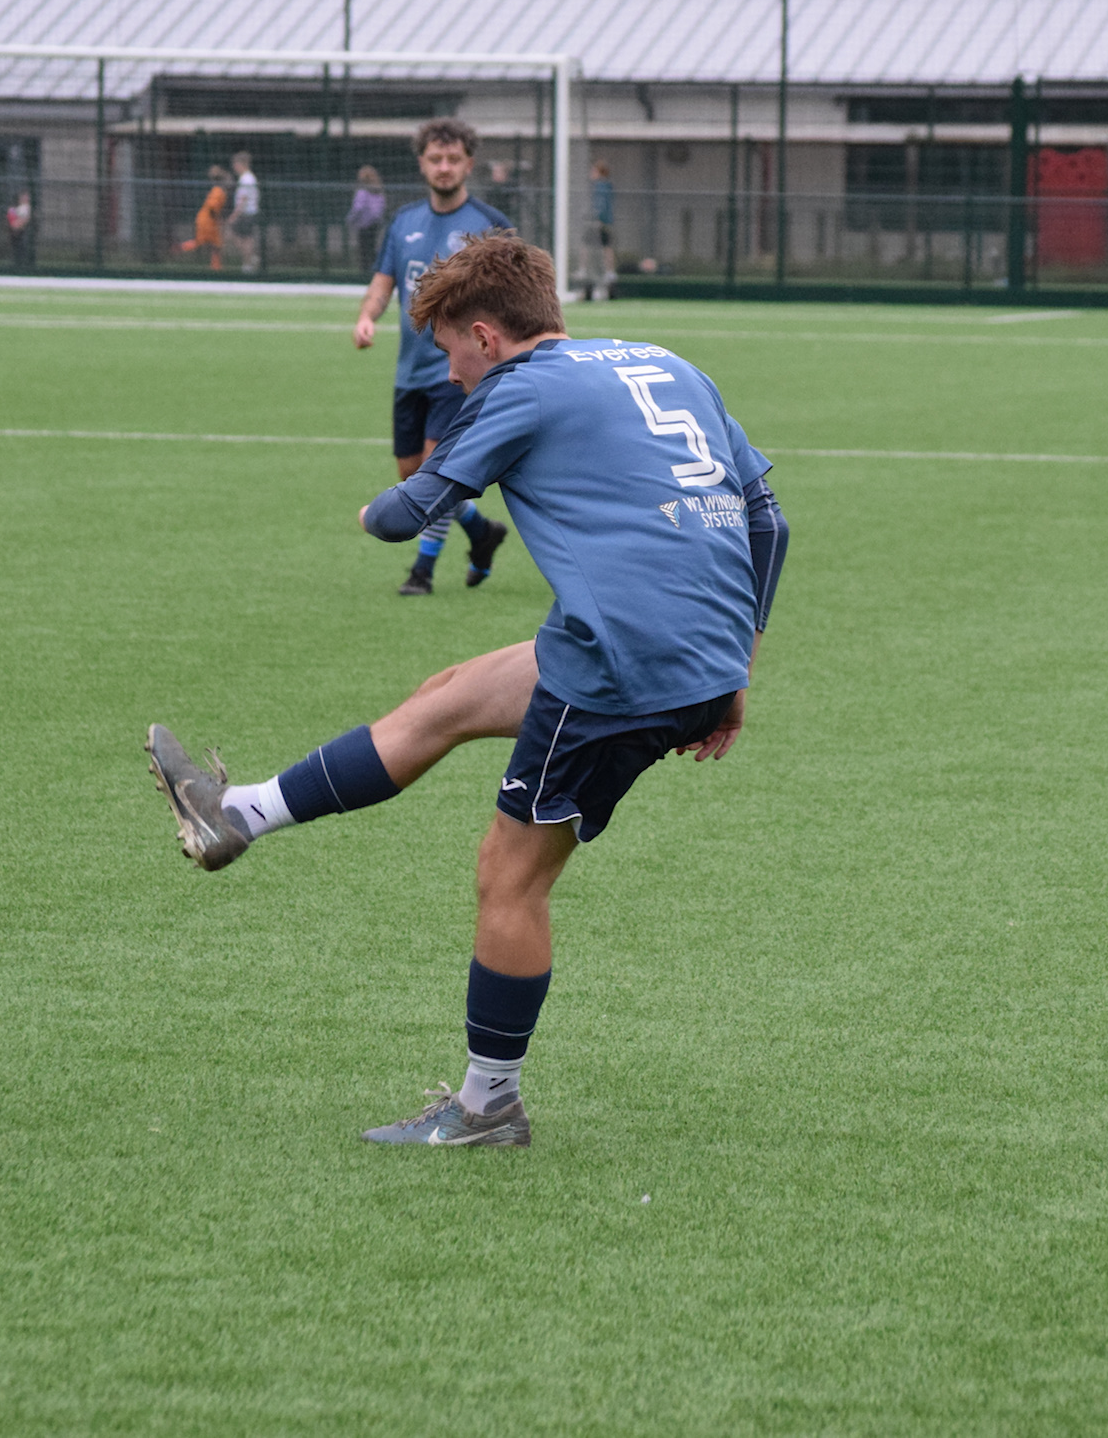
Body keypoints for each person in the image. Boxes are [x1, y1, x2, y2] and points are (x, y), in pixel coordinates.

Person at [150, 234, 789, 1148]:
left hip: (619, 665)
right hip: (694, 649)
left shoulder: (519, 386)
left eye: (450, 350)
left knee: (509, 876)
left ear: (487, 336)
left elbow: (409, 512)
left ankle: (489, 1106)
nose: (449, 374)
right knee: (449, 696)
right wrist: (737, 668)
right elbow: (769, 520)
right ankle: (240, 815)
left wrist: (368, 512)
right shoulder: (666, 362)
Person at [352, 118, 514, 596]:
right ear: (422, 163)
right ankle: (481, 532)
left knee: (432, 472)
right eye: (435, 159)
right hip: (410, 372)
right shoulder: (404, 222)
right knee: (409, 473)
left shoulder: (491, 224)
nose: (444, 167)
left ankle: (422, 571)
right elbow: (384, 282)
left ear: (469, 163)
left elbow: (516, 294)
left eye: (453, 159)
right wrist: (366, 317)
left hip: (459, 372)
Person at [581, 158, 618, 302]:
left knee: (588, 245)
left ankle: (585, 269)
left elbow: (600, 204)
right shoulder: (607, 186)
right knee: (606, 246)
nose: (591, 173)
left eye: (593, 170)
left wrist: (597, 218)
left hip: (599, 222)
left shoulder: (600, 186)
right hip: (605, 221)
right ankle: (609, 271)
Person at [179, 166, 228, 270]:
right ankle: (178, 248)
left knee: (213, 243)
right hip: (207, 221)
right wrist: (218, 220)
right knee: (208, 243)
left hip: (206, 219)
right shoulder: (218, 191)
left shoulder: (216, 190)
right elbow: (212, 208)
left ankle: (216, 266)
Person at [345, 165, 386, 275]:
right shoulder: (379, 191)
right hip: (375, 223)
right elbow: (381, 207)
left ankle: (364, 271)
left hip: (363, 224)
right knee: (372, 247)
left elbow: (358, 208)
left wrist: (350, 219)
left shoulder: (362, 192)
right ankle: (374, 270)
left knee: (363, 248)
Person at [226, 151, 261, 274]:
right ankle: (251, 259)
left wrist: (235, 215)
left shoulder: (247, 179)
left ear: (243, 164)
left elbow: (244, 199)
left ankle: (248, 263)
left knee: (245, 238)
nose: (234, 167)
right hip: (246, 213)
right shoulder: (245, 178)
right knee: (242, 238)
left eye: (236, 164)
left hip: (246, 213)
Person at [6, 190, 35, 269]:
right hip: (16, 233)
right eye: (24, 197)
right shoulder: (13, 209)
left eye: (27, 197)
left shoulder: (28, 208)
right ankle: (17, 264)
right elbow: (13, 223)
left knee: (23, 249)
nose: (26, 199)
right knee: (17, 249)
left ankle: (25, 264)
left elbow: (26, 220)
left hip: (24, 233)